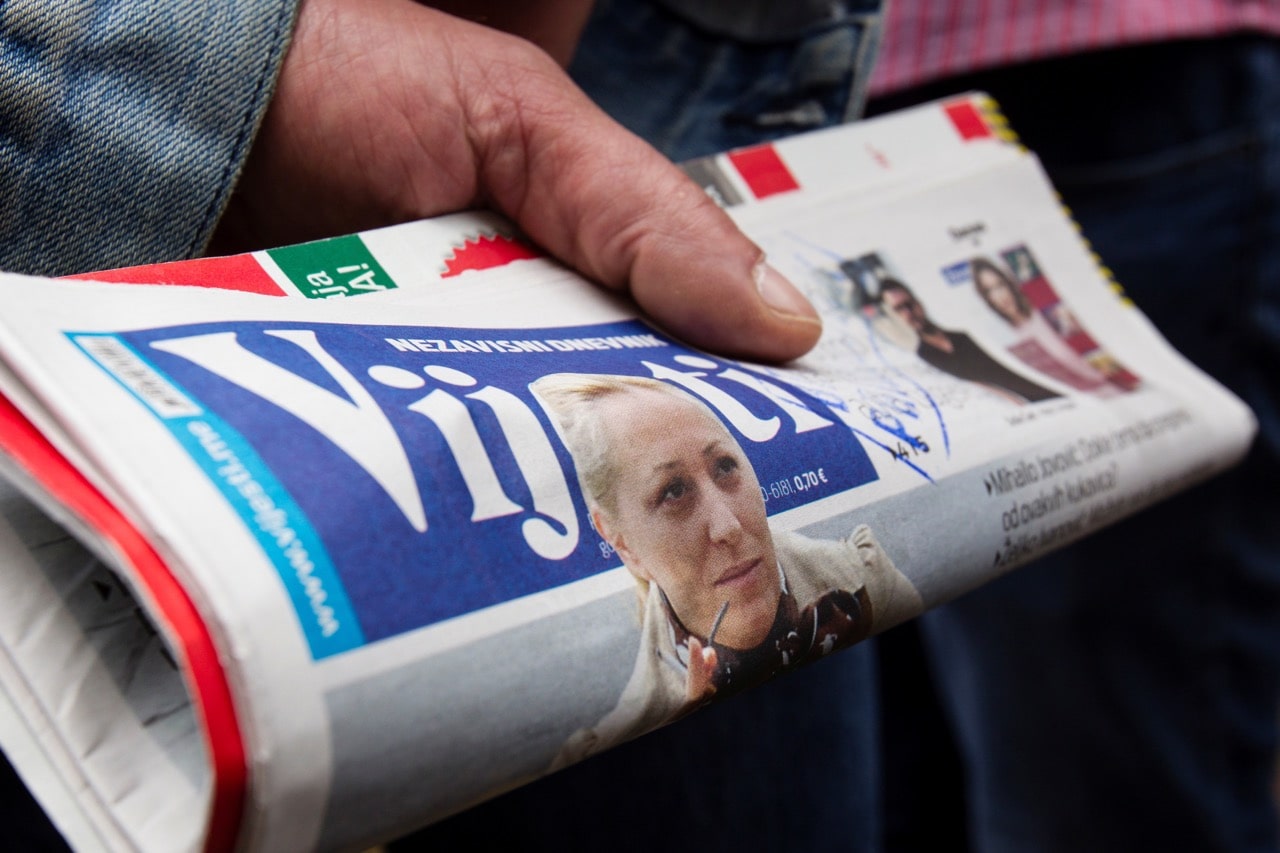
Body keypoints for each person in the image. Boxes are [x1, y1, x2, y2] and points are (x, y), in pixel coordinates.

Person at [531, 373, 922, 767]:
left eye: (724, 466)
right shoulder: (607, 739)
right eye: (674, 491)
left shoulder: (864, 578)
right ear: (623, 544)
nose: (728, 526)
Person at [876, 277, 1059, 404]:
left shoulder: (964, 336)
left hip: (1044, 392)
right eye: (899, 309)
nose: (908, 313)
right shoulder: (921, 358)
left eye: (909, 304)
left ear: (919, 302)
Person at [969, 256, 1119, 395]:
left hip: (1111, 385)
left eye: (1000, 285)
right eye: (989, 291)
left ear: (1009, 283)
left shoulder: (1045, 311)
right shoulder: (1010, 337)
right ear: (986, 298)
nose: (999, 295)